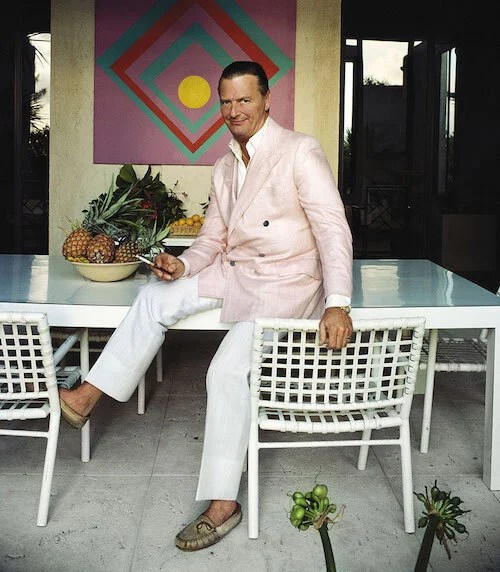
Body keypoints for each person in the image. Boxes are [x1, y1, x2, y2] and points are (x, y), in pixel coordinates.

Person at [59, 61, 353, 551]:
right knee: (153, 297)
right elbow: (212, 239)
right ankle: (87, 395)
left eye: (244, 100)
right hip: (237, 273)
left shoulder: (300, 150)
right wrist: (183, 265)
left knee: (225, 371)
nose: (234, 110)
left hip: (286, 284)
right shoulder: (223, 166)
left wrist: (338, 302)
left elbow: (332, 228)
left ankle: (223, 503)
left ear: (267, 101)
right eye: (226, 101)